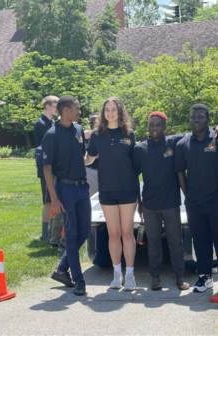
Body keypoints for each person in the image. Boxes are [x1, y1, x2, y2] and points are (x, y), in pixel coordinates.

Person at [132, 111, 218, 291]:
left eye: (158, 125)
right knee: (153, 242)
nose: (155, 128)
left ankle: (179, 276)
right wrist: (140, 203)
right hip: (150, 204)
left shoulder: (174, 143)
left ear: (165, 127)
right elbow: (135, 177)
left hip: (171, 202)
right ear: (148, 126)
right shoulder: (139, 149)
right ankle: (155, 276)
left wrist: (216, 128)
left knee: (176, 241)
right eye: (152, 124)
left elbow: (197, 130)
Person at [175, 103, 218, 293]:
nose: (196, 120)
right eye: (193, 117)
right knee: (200, 241)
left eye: (200, 117)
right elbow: (180, 171)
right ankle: (204, 278)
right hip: (195, 203)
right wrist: (188, 194)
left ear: (208, 119)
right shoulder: (183, 144)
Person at [84, 97, 141, 290]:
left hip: (128, 190)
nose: (110, 113)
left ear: (120, 112)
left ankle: (130, 275)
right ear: (102, 113)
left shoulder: (129, 134)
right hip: (107, 191)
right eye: (107, 110)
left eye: (113, 109)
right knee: (114, 234)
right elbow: (88, 160)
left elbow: (135, 163)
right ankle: (117, 275)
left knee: (127, 233)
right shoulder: (96, 135)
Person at [43, 95, 91, 296]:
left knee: (85, 232)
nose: (79, 112)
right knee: (71, 236)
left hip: (82, 188)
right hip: (65, 190)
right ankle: (78, 280)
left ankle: (61, 269)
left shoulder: (79, 130)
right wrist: (54, 197)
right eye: (76, 109)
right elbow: (47, 168)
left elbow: (82, 159)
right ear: (65, 110)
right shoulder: (51, 134)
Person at [34, 95, 59, 243]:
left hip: (53, 165)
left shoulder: (52, 122)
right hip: (45, 165)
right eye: (56, 106)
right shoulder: (42, 123)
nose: (58, 108)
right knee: (48, 200)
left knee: (53, 198)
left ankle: (51, 230)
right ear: (47, 107)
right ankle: (45, 233)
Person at [84, 114, 100, 199]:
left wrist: (92, 154)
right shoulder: (85, 135)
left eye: (96, 120)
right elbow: (84, 154)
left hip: (105, 171)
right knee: (92, 198)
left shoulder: (106, 134)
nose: (93, 123)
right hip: (91, 170)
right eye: (91, 121)